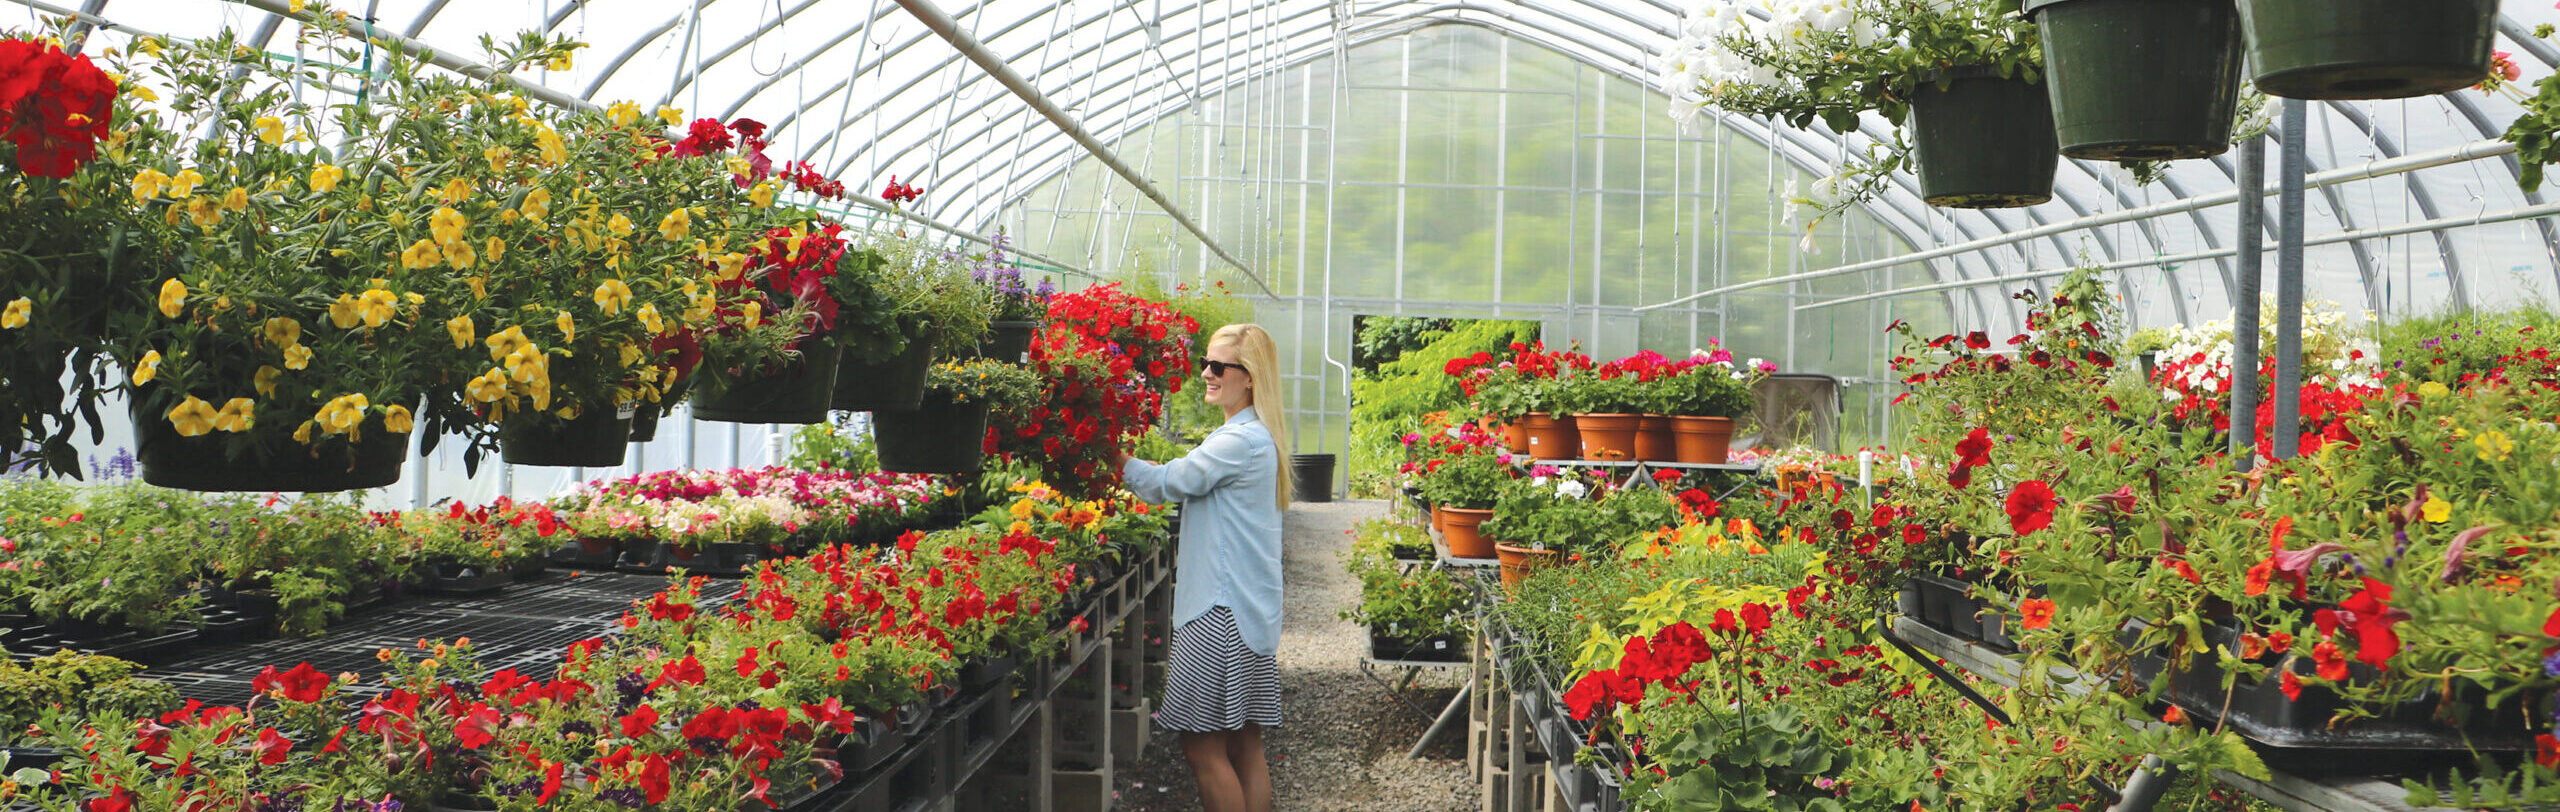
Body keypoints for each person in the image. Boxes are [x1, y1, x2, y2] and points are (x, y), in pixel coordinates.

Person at [1114, 322, 1293, 812]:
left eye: (1219, 366)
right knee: (1245, 744)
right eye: (1206, 363)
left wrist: (1112, 456)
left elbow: (1167, 483)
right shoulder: (1257, 436)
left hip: (1219, 614)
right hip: (1248, 612)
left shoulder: (1239, 441)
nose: (1207, 374)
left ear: (1250, 376)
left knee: (1201, 745)